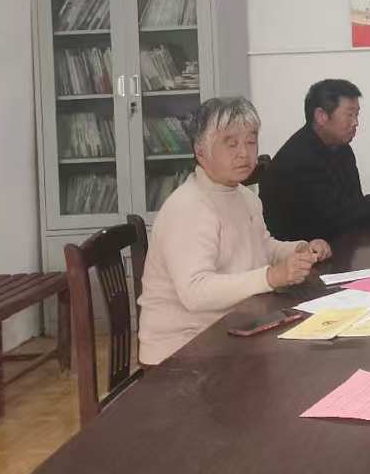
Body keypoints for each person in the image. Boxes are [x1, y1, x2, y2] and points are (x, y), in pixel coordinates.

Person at [138, 96, 330, 366]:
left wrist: (300, 249)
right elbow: (195, 292)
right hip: (182, 354)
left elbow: (262, 246)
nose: (244, 153)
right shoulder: (188, 207)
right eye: (231, 143)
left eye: (250, 142)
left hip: (233, 330)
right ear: (201, 151)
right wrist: (271, 277)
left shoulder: (244, 196)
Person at [261, 79, 370, 240]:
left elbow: (356, 208)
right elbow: (342, 217)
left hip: (337, 242)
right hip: (297, 252)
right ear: (321, 116)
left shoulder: (341, 148)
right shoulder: (299, 159)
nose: (356, 123)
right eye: (349, 115)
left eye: (357, 115)